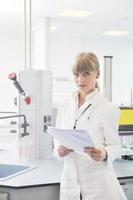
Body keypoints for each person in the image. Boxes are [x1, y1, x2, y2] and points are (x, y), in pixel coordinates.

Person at [54, 51, 127, 200]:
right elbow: (57, 139)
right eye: (76, 74)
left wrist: (104, 153)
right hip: (70, 184)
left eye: (86, 73)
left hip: (99, 186)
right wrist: (59, 150)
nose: (80, 79)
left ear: (97, 74)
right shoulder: (65, 106)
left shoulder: (108, 108)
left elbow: (115, 146)